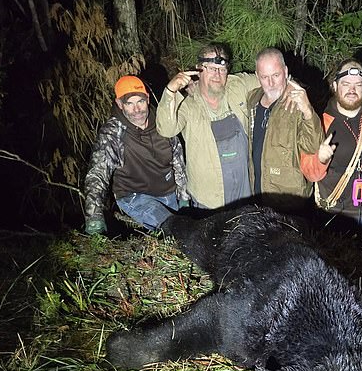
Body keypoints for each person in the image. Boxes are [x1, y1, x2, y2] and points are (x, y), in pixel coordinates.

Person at [156, 43, 260, 209]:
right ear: (199, 69)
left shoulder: (238, 85)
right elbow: (166, 130)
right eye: (211, 68)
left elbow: (270, 78)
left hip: (245, 195)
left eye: (222, 69)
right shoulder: (186, 105)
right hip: (209, 201)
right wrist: (170, 91)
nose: (217, 74)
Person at [301, 59, 362, 233]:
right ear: (335, 85)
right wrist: (321, 159)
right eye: (346, 84)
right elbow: (310, 173)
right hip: (331, 213)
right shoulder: (321, 122)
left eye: (358, 84)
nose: (352, 90)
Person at [84, 75, 189, 234]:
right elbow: (98, 173)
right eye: (129, 103)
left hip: (168, 192)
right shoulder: (113, 133)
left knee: (188, 222)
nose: (137, 109)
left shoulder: (163, 121)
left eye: (140, 101)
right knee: (173, 227)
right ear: (120, 104)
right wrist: (94, 216)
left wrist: (184, 197)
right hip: (134, 195)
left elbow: (178, 160)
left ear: (147, 99)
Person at [247, 48, 323, 211]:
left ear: (286, 71)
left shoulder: (298, 103)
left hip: (289, 200)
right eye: (264, 77)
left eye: (276, 75)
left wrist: (308, 111)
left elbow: (313, 147)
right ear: (257, 76)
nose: (271, 83)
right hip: (258, 192)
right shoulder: (252, 99)